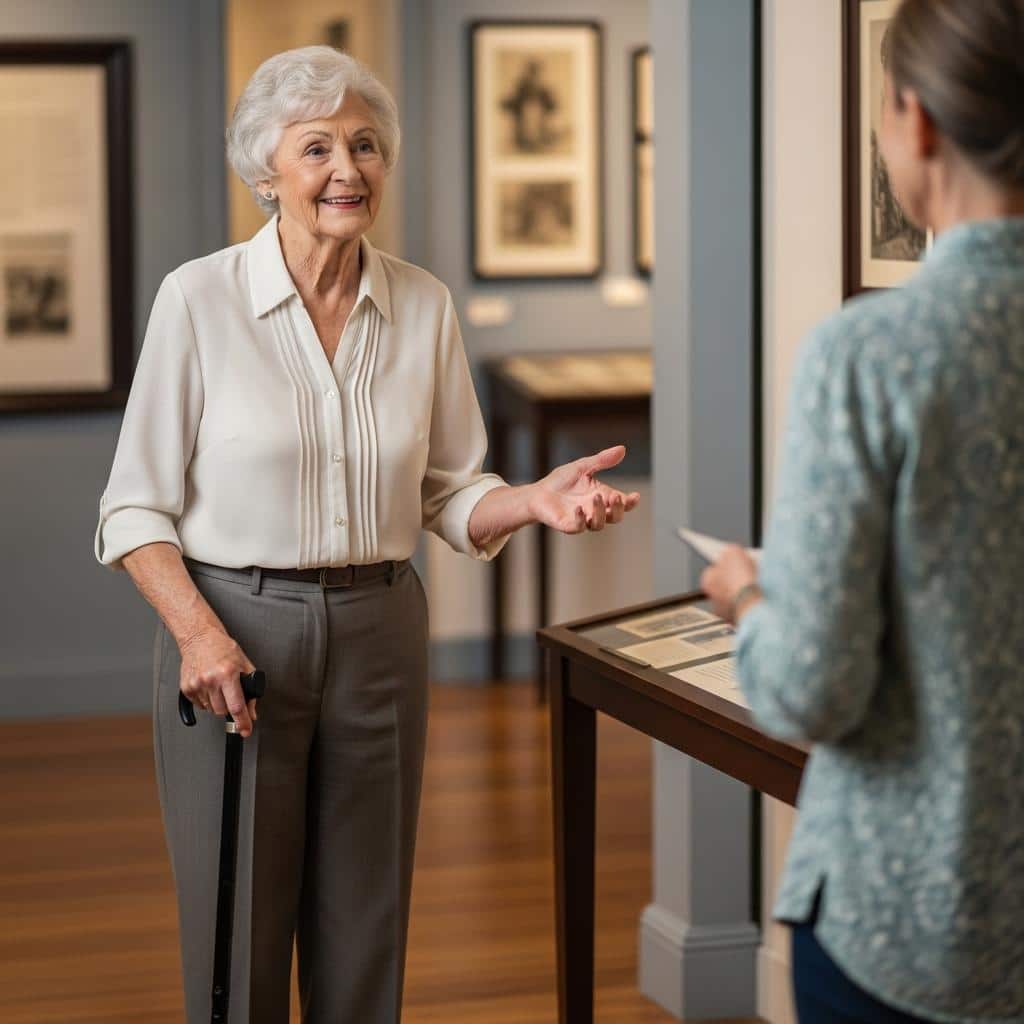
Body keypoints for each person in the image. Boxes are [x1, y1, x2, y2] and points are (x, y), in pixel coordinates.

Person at [93, 46, 639, 1024]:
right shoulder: (198, 300)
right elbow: (133, 507)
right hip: (235, 635)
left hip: (383, 632)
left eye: (365, 145)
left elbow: (449, 490)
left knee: (366, 917)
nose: (348, 169)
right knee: (239, 926)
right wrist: (197, 632)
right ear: (266, 174)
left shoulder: (422, 306)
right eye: (317, 148)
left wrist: (534, 499)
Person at [701, 1, 1024, 1021]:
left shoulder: (873, 353)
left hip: (910, 917)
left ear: (915, 121)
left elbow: (810, 687)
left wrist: (747, 596)